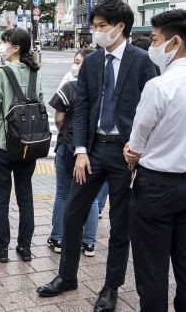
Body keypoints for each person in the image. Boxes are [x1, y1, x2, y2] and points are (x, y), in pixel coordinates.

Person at [36, 0, 158, 312]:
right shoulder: (91, 62)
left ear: (121, 27)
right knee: (72, 213)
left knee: (120, 223)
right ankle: (67, 276)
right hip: (92, 151)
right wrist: (79, 151)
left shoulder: (143, 62)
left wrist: (139, 152)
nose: (97, 32)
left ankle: (110, 287)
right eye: (95, 26)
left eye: (102, 26)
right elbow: (83, 109)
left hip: (125, 154)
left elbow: (154, 111)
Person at [123, 9, 186, 311]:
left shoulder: (160, 86)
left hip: (156, 187)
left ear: (174, 41)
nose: (152, 46)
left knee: (152, 268)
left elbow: (137, 140)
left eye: (154, 39)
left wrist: (133, 152)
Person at [0, 28, 43, 263]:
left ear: (16, 47)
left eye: (5, 43)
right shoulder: (34, 72)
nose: (3, 47)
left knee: (1, 196)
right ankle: (25, 247)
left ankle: (2, 248)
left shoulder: (2, 73)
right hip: (28, 143)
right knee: (25, 194)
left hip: (3, 141)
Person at [47, 48, 109, 257]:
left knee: (63, 193)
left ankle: (58, 238)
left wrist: (64, 132)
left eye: (79, 62)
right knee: (90, 197)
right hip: (94, 149)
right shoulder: (105, 91)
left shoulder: (70, 88)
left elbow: (58, 118)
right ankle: (89, 242)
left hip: (69, 144)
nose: (75, 66)